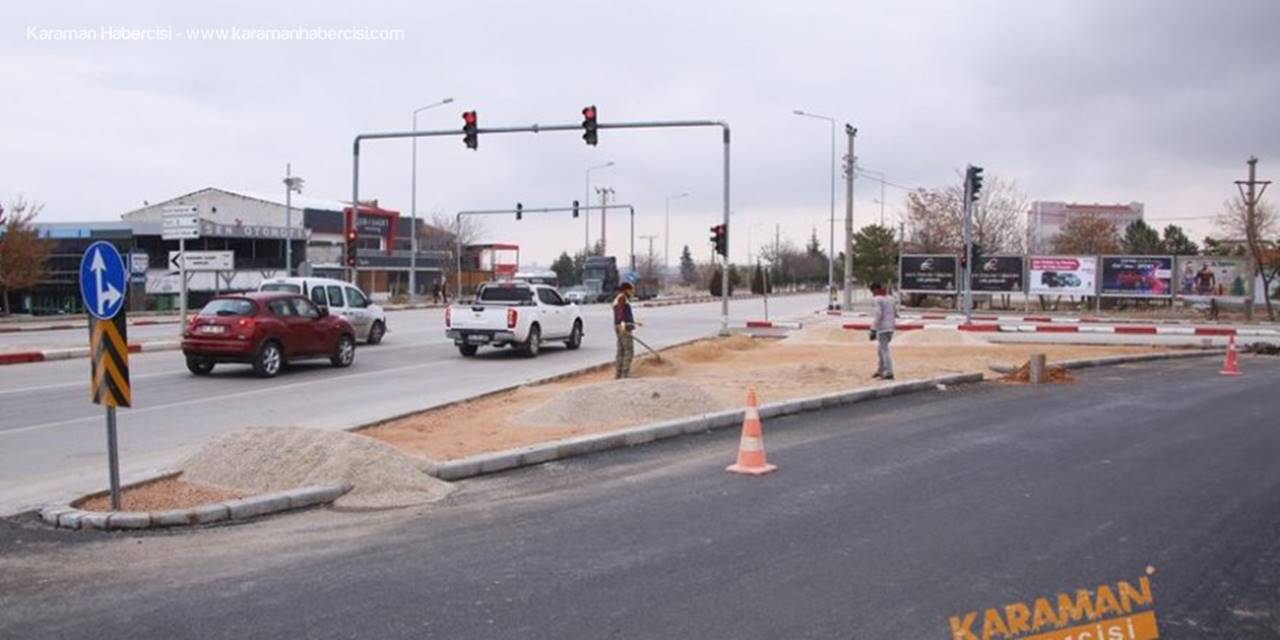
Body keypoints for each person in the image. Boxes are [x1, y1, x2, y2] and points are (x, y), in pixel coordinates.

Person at [613, 282, 640, 379]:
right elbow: (621, 312)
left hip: (619, 326)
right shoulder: (622, 298)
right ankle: (625, 374)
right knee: (628, 350)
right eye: (630, 290)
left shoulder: (618, 298)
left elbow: (622, 313)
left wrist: (634, 322)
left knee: (621, 351)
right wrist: (623, 323)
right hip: (623, 328)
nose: (632, 292)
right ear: (626, 290)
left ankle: (618, 374)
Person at [870, 282, 896, 380]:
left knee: (884, 350)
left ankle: (889, 371)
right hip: (891, 327)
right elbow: (895, 313)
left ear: (875, 290)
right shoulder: (891, 298)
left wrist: (873, 329)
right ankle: (880, 370)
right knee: (881, 349)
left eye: (872, 291)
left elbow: (878, 315)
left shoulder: (877, 299)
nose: (872, 293)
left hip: (882, 328)